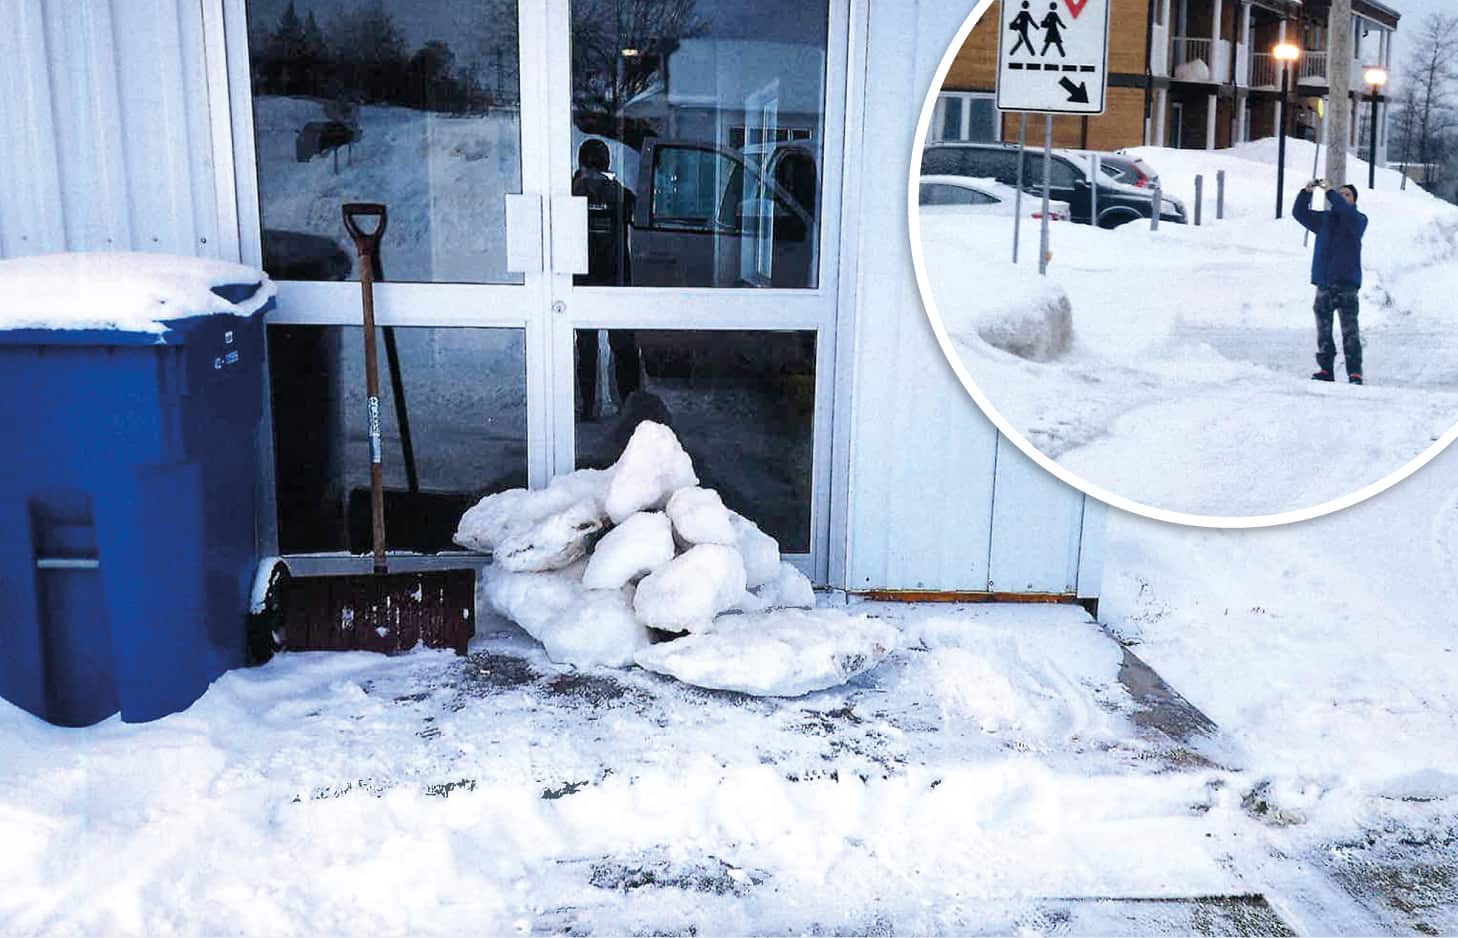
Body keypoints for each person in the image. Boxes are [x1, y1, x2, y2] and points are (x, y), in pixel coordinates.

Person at [571, 138, 641, 417]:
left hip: (582, 282)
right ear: (607, 163)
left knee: (586, 346)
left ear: (582, 163)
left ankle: (588, 406)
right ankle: (626, 405)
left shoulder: (570, 193)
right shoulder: (620, 194)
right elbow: (638, 213)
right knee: (623, 345)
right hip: (616, 281)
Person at [1293, 181, 1369, 384]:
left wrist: (1331, 194)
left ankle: (1354, 372)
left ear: (1354, 201)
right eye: (1341, 194)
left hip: (1347, 285)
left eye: (1347, 195)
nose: (1342, 197)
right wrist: (1306, 193)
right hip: (1325, 283)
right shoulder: (1325, 220)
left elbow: (1346, 212)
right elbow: (1299, 214)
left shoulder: (1358, 220)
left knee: (1350, 331)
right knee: (1323, 331)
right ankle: (1326, 369)